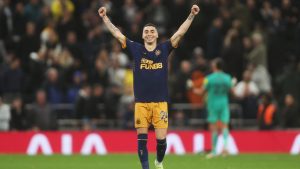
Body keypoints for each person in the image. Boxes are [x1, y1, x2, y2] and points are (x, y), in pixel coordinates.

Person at [98, 4, 200, 169]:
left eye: (152, 31)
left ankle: (159, 162)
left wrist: (191, 15)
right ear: (142, 35)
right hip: (141, 104)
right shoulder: (136, 49)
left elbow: (180, 32)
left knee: (161, 142)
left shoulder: (164, 49)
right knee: (142, 141)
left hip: (160, 103)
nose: (150, 34)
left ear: (157, 34)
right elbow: (117, 34)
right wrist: (104, 18)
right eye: (146, 32)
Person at [194, 58, 233, 158]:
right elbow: (232, 91)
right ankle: (225, 149)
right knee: (225, 126)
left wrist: (192, 88)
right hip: (224, 103)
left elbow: (201, 92)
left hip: (213, 104)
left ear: (215, 66)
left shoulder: (209, 78)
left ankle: (214, 151)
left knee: (214, 128)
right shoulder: (227, 78)